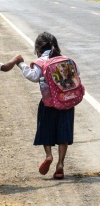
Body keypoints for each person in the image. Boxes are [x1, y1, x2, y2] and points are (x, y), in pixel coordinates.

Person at [16, 32, 80, 179]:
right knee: (63, 133)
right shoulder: (66, 60)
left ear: (38, 48)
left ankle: (49, 155)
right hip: (67, 103)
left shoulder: (41, 61)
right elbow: (77, 75)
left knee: (46, 129)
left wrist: (21, 63)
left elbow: (33, 76)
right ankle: (60, 164)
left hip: (48, 103)